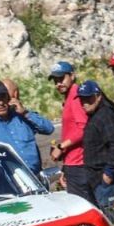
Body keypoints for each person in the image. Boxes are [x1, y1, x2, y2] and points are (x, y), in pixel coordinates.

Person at [78, 81, 114, 220]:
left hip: (108, 182)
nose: (84, 102)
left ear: (98, 96)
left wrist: (109, 173)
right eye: (81, 99)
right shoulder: (96, 116)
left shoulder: (105, 115)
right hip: (98, 181)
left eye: (88, 98)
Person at [0, 79, 54, 174]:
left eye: (3, 97)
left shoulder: (22, 115)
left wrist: (26, 113)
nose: (1, 103)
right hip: (10, 183)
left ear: (8, 98)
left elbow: (49, 129)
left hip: (36, 177)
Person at [46, 61, 91, 201]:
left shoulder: (76, 96)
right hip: (73, 163)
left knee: (84, 205)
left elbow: (83, 129)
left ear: (72, 76)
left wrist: (61, 146)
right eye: (55, 80)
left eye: (61, 78)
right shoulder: (69, 97)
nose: (58, 83)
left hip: (79, 164)